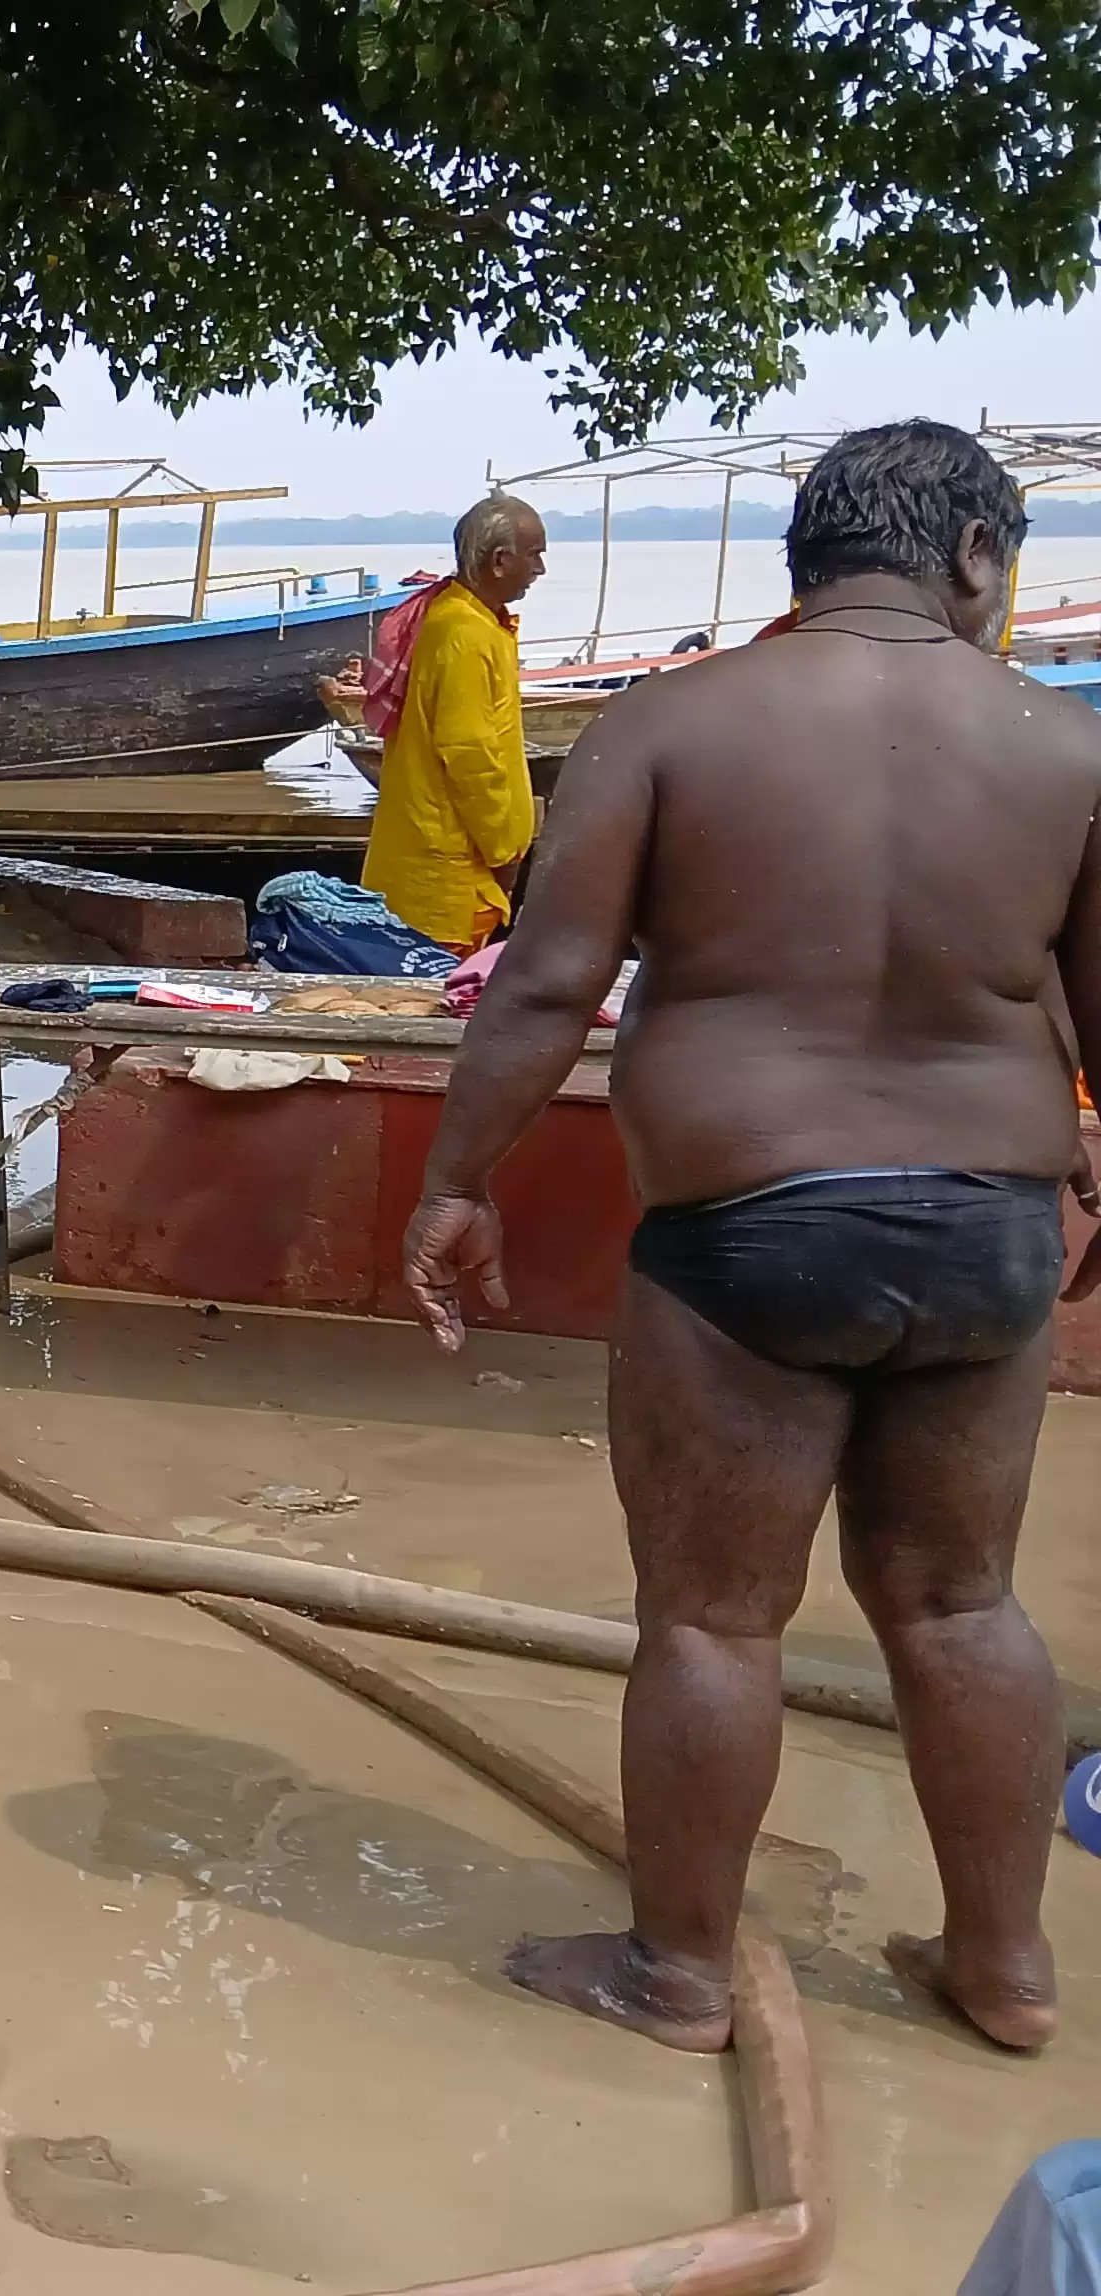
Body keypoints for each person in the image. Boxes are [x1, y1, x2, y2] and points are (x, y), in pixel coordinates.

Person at [402, 420, 1100, 2057]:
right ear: (979, 562)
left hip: (744, 1227)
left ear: (805, 561)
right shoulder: (1062, 748)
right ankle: (1003, 1972)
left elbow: (549, 986)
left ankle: (679, 1974)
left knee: (716, 1616)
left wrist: (457, 1182)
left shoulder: (668, 725)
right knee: (959, 1604)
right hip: (989, 1228)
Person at [361, 496, 550, 952]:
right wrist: (506, 850)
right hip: (449, 874)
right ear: (500, 561)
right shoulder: (463, 632)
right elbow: (471, 758)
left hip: (445, 864)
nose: (541, 568)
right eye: (535, 554)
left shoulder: (470, 620)